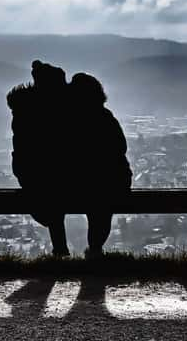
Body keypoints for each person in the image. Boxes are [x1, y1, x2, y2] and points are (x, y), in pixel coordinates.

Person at [7, 60, 70, 256]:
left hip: (30, 171)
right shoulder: (62, 107)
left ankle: (60, 250)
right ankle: (62, 250)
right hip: (56, 172)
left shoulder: (24, 107)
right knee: (54, 200)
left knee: (50, 205)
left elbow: (23, 146)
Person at [69, 73, 132, 257]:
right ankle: (95, 250)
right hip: (114, 181)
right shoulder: (105, 117)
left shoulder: (76, 121)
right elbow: (121, 147)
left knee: (96, 207)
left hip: (94, 183)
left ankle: (92, 250)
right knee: (101, 210)